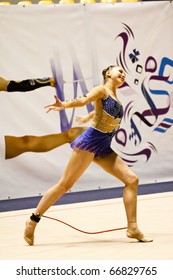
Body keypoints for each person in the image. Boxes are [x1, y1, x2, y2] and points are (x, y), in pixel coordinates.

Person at [24, 65, 153, 245]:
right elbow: (85, 100)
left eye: (124, 73)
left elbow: (100, 109)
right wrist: (64, 105)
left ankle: (132, 227)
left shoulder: (114, 96)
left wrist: (88, 117)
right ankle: (33, 219)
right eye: (119, 71)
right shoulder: (101, 89)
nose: (123, 74)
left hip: (104, 146)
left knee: (132, 180)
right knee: (64, 185)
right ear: (108, 73)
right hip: (90, 142)